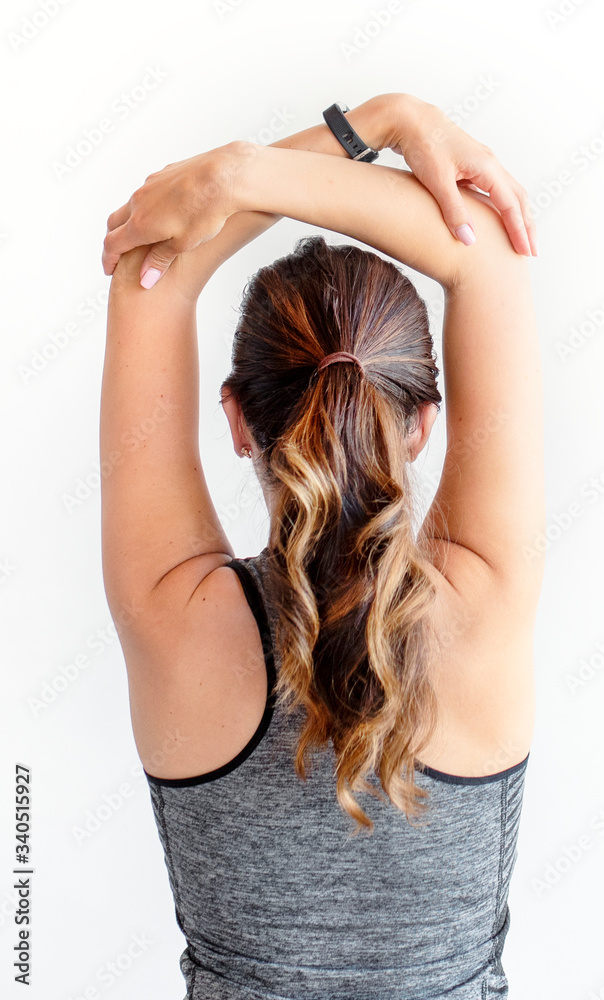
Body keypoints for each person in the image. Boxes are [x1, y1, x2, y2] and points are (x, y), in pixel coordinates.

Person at [100, 92, 544, 999]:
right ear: (420, 425)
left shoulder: (173, 616)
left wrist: (365, 127)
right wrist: (253, 170)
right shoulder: (481, 604)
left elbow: (152, 265)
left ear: (237, 418)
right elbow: (487, 260)